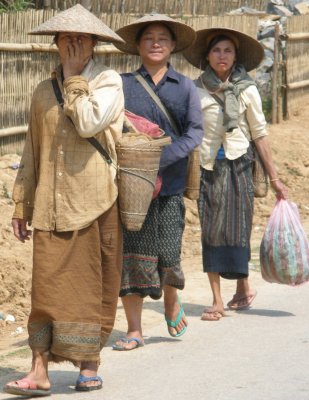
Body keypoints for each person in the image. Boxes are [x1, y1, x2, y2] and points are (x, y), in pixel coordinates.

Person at [3, 4, 125, 396]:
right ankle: (38, 369)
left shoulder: (108, 81)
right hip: (51, 207)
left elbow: (89, 121)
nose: (73, 43)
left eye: (82, 38)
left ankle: (89, 365)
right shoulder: (41, 90)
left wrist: (74, 79)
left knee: (92, 287)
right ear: (55, 43)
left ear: (94, 44)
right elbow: (32, 150)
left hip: (95, 202)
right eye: (66, 38)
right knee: (46, 290)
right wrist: (22, 205)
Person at [112, 14, 204, 350]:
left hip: (171, 183)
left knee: (167, 253)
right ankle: (134, 329)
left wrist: (163, 157)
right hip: (132, 186)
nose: (155, 43)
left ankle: (170, 301)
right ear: (137, 46)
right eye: (148, 37)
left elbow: (195, 131)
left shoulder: (186, 87)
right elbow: (111, 127)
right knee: (132, 258)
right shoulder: (122, 85)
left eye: (162, 38)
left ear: (172, 46)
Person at [183, 28, 288, 321]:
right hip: (208, 167)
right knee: (210, 230)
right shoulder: (195, 89)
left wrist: (275, 178)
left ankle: (243, 288)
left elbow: (261, 135)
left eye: (228, 50)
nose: (222, 56)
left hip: (239, 164)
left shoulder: (247, 89)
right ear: (206, 56)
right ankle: (217, 300)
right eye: (216, 51)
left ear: (235, 56)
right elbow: (190, 130)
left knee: (239, 228)